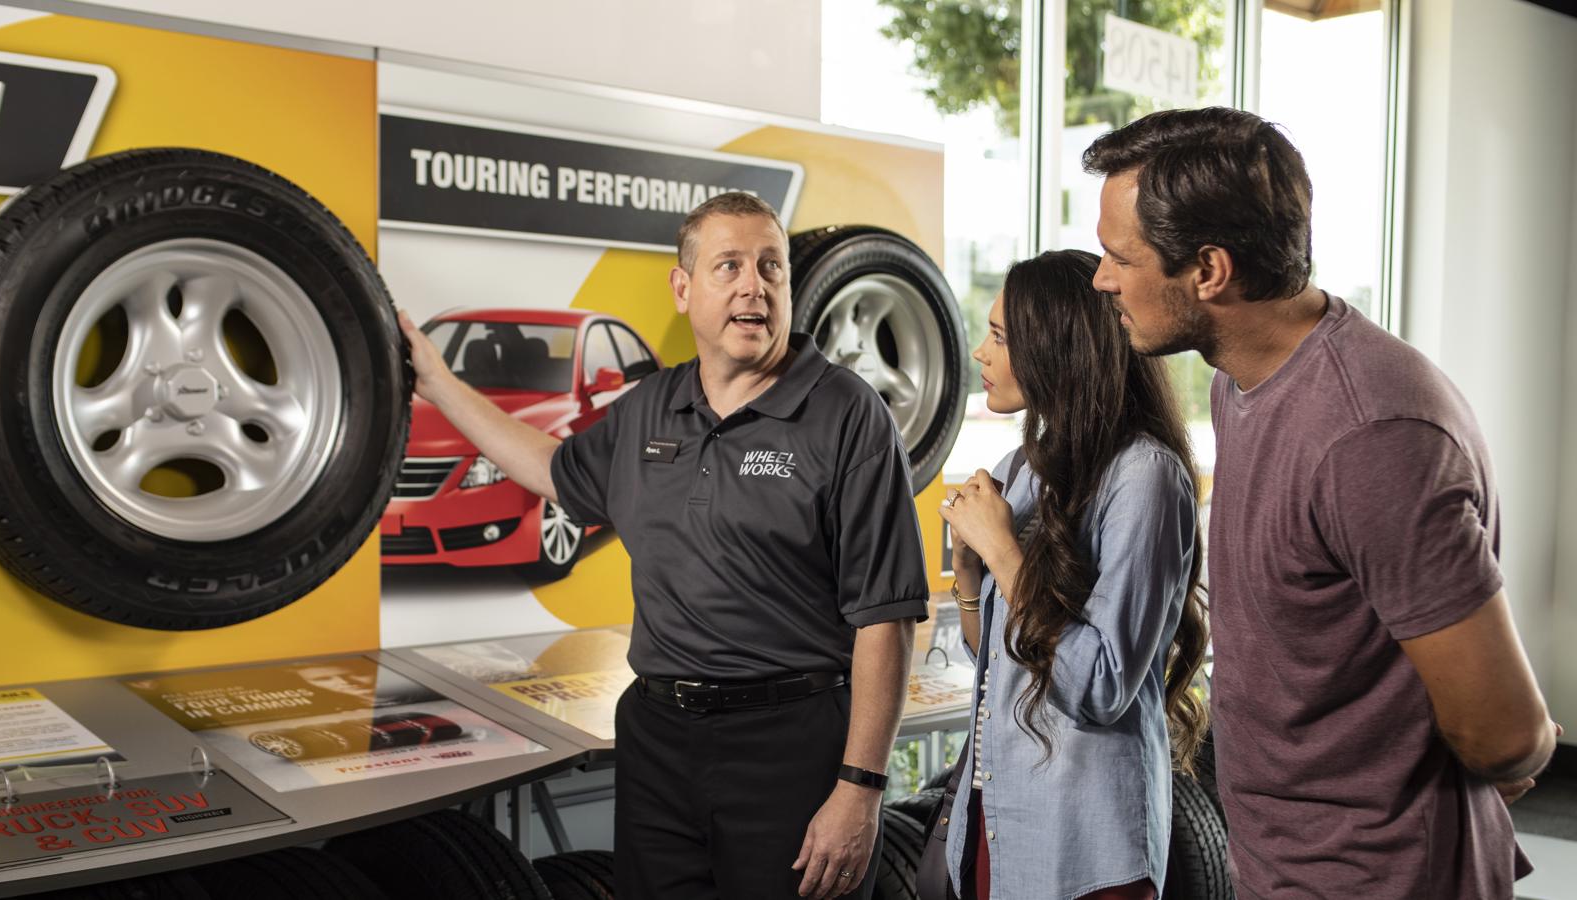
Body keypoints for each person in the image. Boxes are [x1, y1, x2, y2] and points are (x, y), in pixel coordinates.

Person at [1081, 106, 1560, 898]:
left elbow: (1503, 731)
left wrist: (1522, 750)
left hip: (1383, 878)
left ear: (1209, 270)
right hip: (1287, 864)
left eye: (1117, 256)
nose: (1102, 278)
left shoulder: (1370, 433)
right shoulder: (1245, 379)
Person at [399, 191, 927, 900]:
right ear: (683, 289)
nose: (753, 286)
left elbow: (885, 619)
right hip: (657, 741)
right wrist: (438, 381)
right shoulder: (650, 407)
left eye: (772, 268)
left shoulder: (847, 415)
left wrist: (861, 788)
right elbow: (552, 470)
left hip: (791, 746)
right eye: (729, 266)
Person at [938, 250, 1208, 900]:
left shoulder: (1145, 478)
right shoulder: (1022, 465)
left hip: (1084, 849)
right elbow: (996, 659)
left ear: (1057, 345)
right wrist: (971, 574)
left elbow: (1100, 686)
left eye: (1000, 336)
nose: (980, 351)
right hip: (998, 819)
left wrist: (1005, 553)